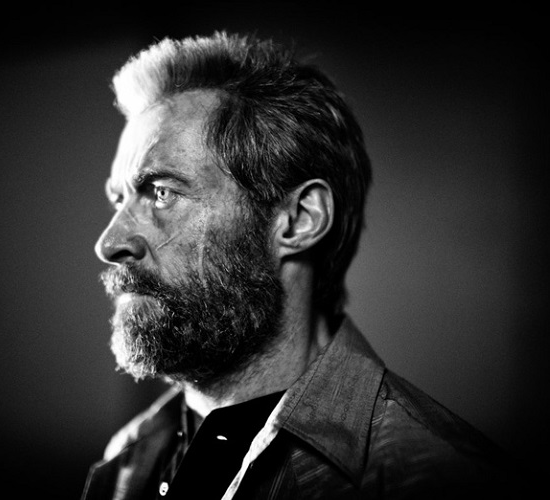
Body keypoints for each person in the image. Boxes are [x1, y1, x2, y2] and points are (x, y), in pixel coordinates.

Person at [82, 31, 516, 500]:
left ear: (299, 220)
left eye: (162, 192)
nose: (109, 243)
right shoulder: (126, 461)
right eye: (119, 199)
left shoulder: (438, 479)